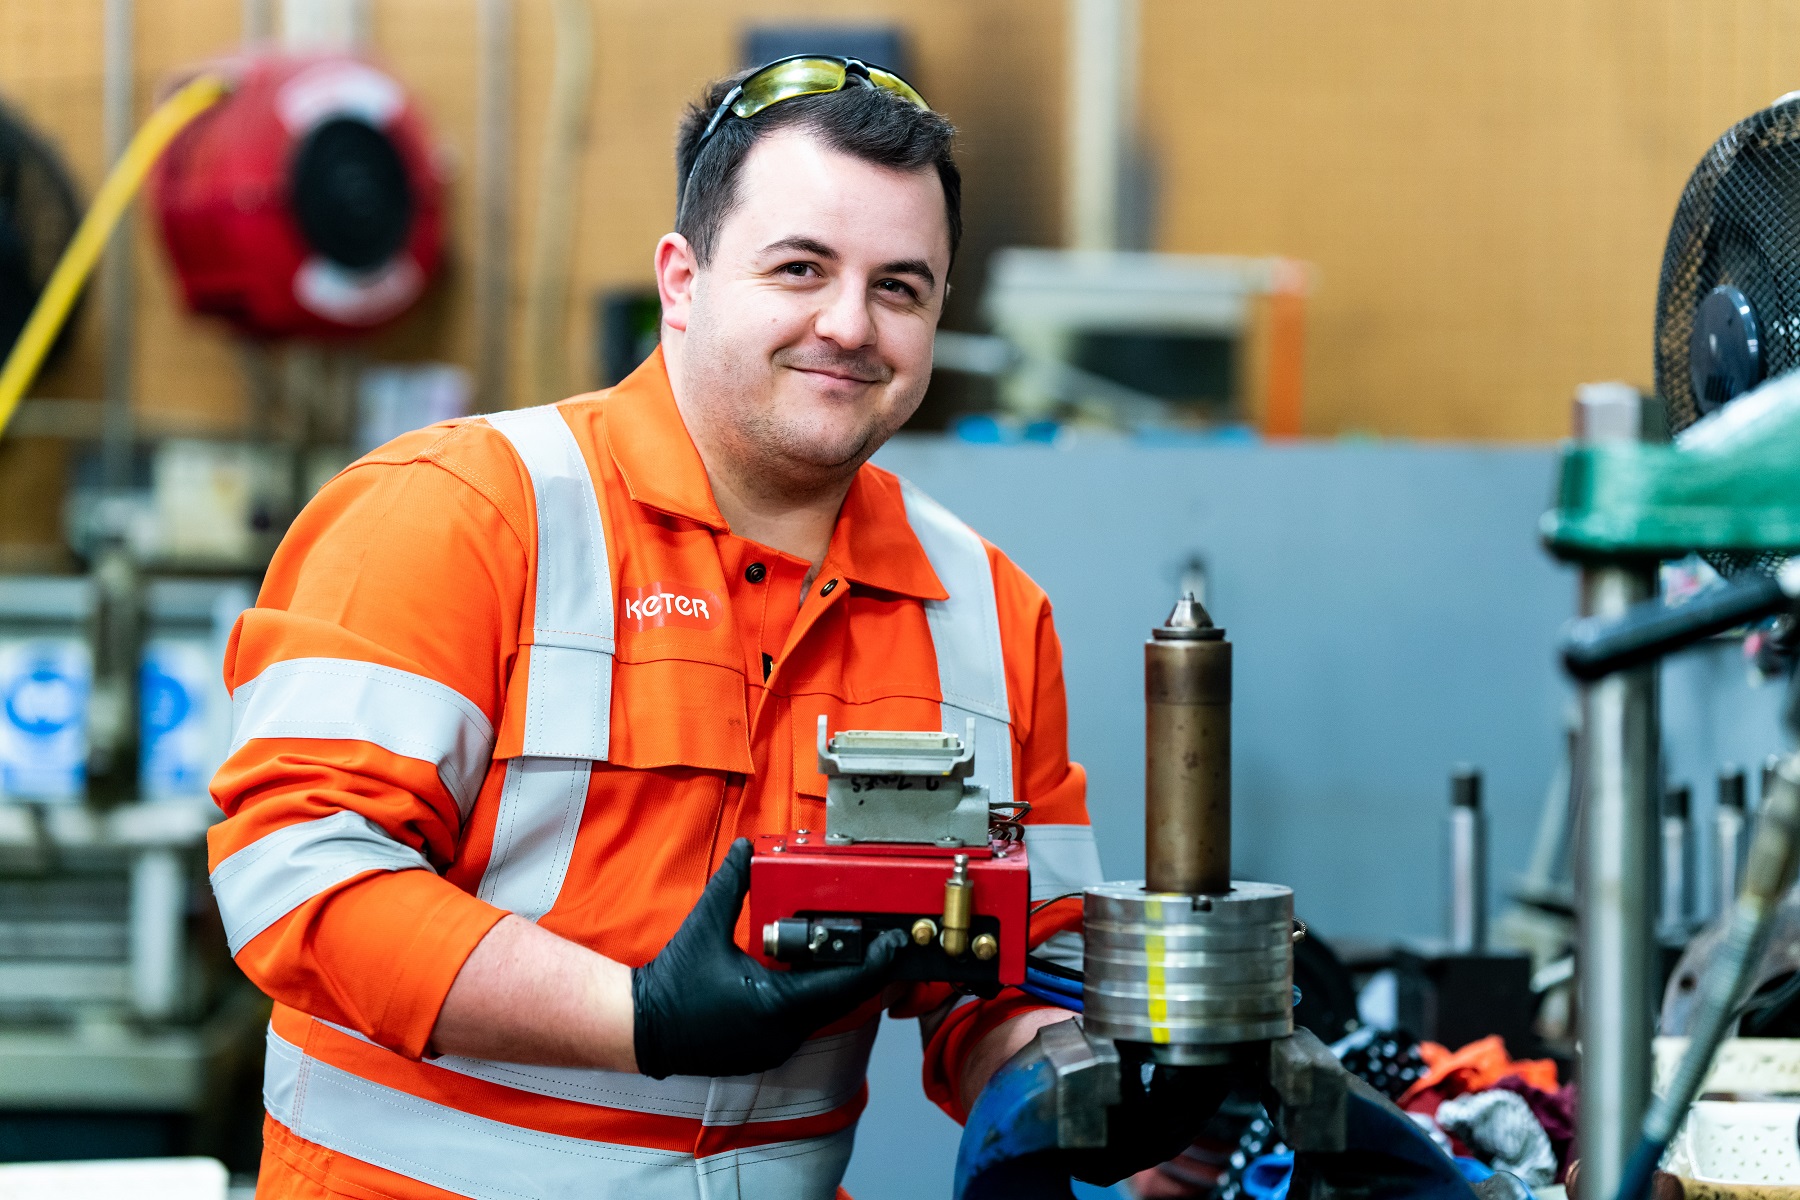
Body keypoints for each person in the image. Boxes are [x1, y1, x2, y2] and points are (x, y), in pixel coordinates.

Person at [210, 56, 1120, 1199]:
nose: (850, 324)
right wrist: (633, 1016)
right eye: (801, 268)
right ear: (681, 281)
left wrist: (1082, 1080)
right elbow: (299, 872)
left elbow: (1022, 970)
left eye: (902, 288)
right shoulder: (461, 512)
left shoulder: (987, 609)